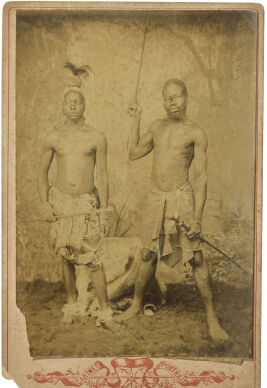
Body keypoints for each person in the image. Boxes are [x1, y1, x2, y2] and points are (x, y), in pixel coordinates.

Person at [117, 79, 229, 343]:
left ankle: (212, 319)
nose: (172, 103)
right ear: (163, 100)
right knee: (147, 254)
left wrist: (197, 219)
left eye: (177, 97)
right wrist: (136, 119)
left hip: (182, 198)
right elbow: (133, 153)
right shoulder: (156, 127)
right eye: (168, 98)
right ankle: (135, 305)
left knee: (197, 259)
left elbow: (200, 178)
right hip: (156, 198)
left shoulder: (196, 133)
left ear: (186, 97)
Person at [37, 87, 113, 324]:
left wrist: (105, 209)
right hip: (61, 203)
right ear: (63, 106)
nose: (72, 106)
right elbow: (41, 173)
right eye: (68, 102)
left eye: (77, 102)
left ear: (84, 105)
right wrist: (45, 205)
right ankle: (71, 304)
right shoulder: (53, 137)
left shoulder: (97, 137)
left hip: (87, 203)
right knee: (66, 255)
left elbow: (102, 174)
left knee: (95, 259)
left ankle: (105, 310)